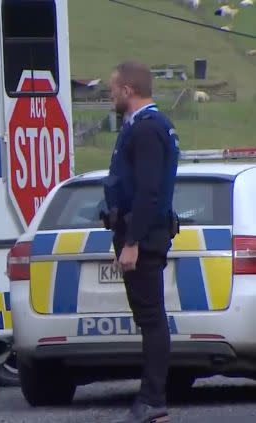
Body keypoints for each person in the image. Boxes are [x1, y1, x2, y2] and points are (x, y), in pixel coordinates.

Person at [102, 61, 180, 423]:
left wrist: (132, 241)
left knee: (151, 319)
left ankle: (153, 399)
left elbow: (149, 192)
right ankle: (151, 399)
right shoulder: (141, 126)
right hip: (140, 233)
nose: (111, 95)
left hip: (144, 236)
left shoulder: (148, 130)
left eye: (113, 89)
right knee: (148, 317)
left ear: (128, 91)